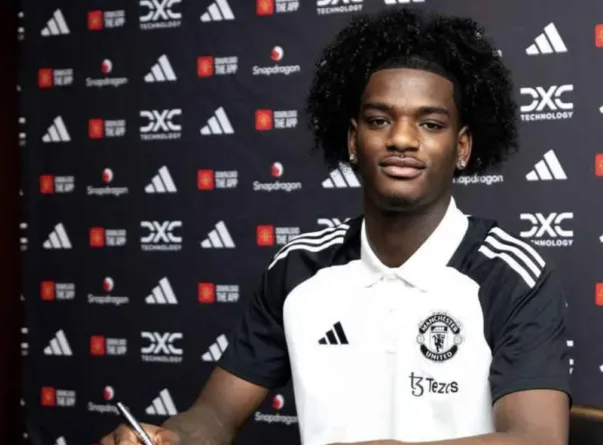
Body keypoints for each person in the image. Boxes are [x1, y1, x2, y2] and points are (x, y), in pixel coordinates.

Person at [101, 6, 571, 445]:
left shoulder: (512, 276)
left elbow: (537, 439)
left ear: (462, 147)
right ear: (352, 138)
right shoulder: (299, 268)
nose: (402, 139)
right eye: (379, 119)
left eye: (430, 124)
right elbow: (216, 415)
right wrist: (172, 437)